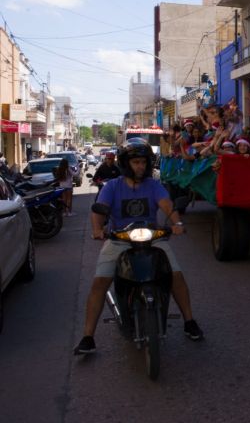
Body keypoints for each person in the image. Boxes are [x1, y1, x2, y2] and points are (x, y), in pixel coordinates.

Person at [73, 140, 202, 355]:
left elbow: (167, 205)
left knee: (176, 275)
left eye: (143, 162)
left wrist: (176, 223)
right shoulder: (112, 186)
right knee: (99, 284)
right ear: (126, 163)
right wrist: (97, 230)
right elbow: (100, 210)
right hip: (119, 240)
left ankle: (189, 321)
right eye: (136, 162)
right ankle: (88, 337)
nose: (140, 166)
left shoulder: (153, 185)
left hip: (152, 238)